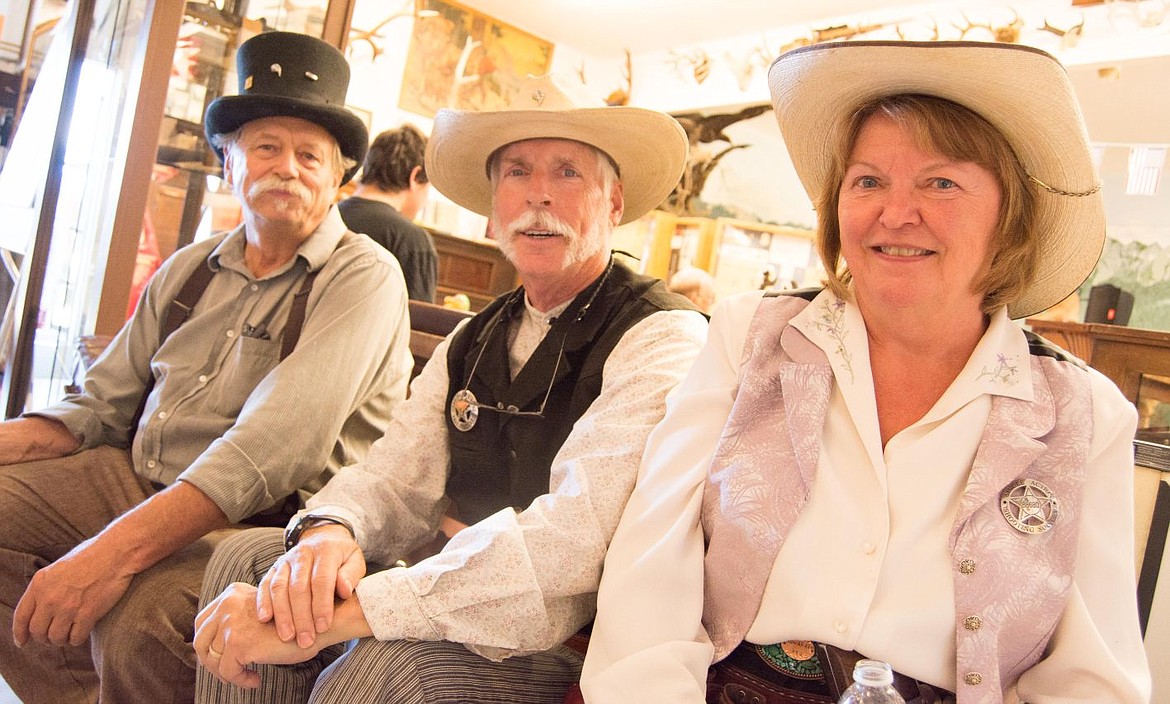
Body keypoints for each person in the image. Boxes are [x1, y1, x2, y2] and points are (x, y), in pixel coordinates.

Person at [581, 41, 1151, 703]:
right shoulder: (750, 337)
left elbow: (1093, 679)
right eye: (868, 180)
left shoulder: (1084, 415)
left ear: (1010, 218)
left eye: (940, 182)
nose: (895, 212)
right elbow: (650, 569)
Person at [193, 73, 708, 703]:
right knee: (251, 562)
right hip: (457, 589)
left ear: (615, 203)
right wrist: (330, 532)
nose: (538, 195)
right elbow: (394, 480)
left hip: (576, 638)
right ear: (493, 210)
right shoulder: (474, 337)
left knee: (385, 673)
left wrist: (348, 613)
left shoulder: (663, 335)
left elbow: (574, 548)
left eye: (568, 172)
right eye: (517, 172)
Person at [0, 31, 413, 704]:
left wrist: (105, 556)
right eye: (266, 147)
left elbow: (270, 452)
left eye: (311, 155)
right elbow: (98, 406)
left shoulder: (363, 275)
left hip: (266, 521)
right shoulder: (191, 268)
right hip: (140, 478)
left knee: (140, 625)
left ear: (338, 178)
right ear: (229, 164)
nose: (288, 168)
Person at [339, 124, 439, 302]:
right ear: (415, 177)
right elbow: (417, 322)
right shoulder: (413, 240)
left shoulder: (325, 217)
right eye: (427, 189)